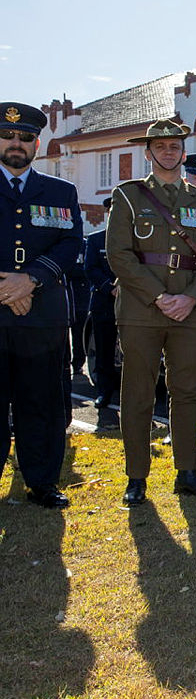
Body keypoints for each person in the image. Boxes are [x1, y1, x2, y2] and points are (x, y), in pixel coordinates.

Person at [107, 119, 196, 504]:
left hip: (191, 310)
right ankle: (136, 476)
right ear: (149, 152)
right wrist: (160, 297)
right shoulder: (128, 196)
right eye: (161, 147)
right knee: (138, 393)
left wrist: (189, 298)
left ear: (183, 153)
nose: (168, 152)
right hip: (142, 307)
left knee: (187, 392)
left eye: (175, 147)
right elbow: (120, 256)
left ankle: (187, 472)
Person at [0, 103, 82, 508]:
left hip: (43, 317)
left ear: (37, 144)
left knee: (43, 403)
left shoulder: (60, 192)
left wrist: (29, 280)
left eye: (26, 138)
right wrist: (6, 288)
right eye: (8, 136)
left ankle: (42, 482)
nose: (17, 144)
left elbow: (71, 244)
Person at [84, 198, 119, 410]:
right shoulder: (97, 239)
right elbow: (91, 269)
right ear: (108, 213)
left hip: (132, 304)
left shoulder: (136, 239)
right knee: (104, 351)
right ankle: (104, 392)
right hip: (104, 304)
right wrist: (111, 288)